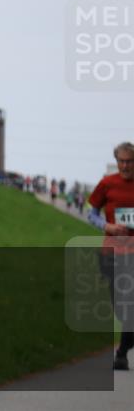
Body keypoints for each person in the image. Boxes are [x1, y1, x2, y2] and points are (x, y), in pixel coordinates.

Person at [87, 141, 134, 371]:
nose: (125, 165)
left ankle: (122, 353)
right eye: (122, 161)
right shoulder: (107, 184)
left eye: (130, 161)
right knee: (119, 306)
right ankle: (128, 342)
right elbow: (91, 215)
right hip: (111, 250)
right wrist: (108, 227)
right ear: (117, 162)